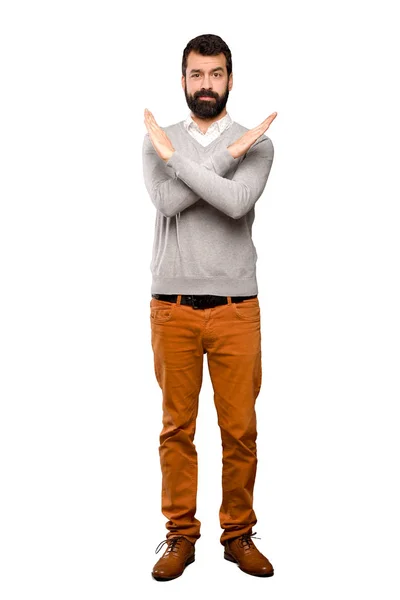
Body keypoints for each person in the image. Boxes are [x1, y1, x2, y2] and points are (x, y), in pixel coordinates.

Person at [142, 33, 277, 581]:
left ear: (229, 79)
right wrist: (219, 157)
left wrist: (193, 161)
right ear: (183, 80)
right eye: (196, 75)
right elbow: (167, 200)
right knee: (177, 429)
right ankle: (179, 537)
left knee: (239, 429)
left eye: (215, 74)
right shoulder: (160, 139)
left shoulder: (258, 142)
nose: (205, 84)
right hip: (171, 304)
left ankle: (238, 534)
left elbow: (236, 202)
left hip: (235, 306)